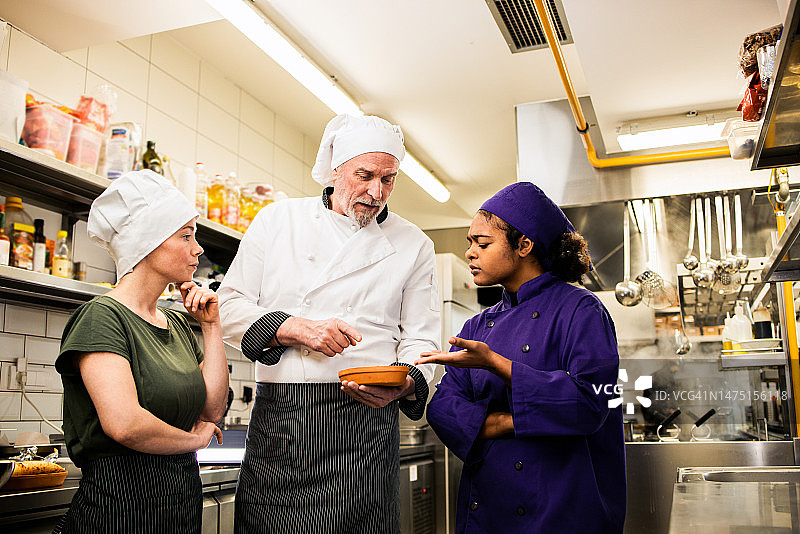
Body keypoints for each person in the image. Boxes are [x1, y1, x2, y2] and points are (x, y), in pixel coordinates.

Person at [217, 114, 440, 533]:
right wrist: (295, 327)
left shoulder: (414, 244)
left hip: (365, 426)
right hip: (283, 422)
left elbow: (421, 338)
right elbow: (228, 308)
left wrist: (407, 380)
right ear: (337, 168)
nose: (376, 192)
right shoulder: (278, 220)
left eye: (389, 179)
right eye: (365, 175)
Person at [416, 182, 626, 533]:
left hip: (562, 511)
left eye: (482, 243)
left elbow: (592, 402)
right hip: (489, 512)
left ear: (524, 245)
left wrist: (497, 364)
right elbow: (442, 409)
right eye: (470, 243)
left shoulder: (581, 310)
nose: (470, 252)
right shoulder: (477, 324)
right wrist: (511, 422)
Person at [54, 170, 229, 534]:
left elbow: (212, 409)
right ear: (145, 244)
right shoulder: (102, 317)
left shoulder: (177, 322)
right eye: (185, 236)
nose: (198, 249)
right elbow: (126, 425)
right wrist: (195, 441)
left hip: (180, 502)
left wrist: (212, 327)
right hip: (118, 508)